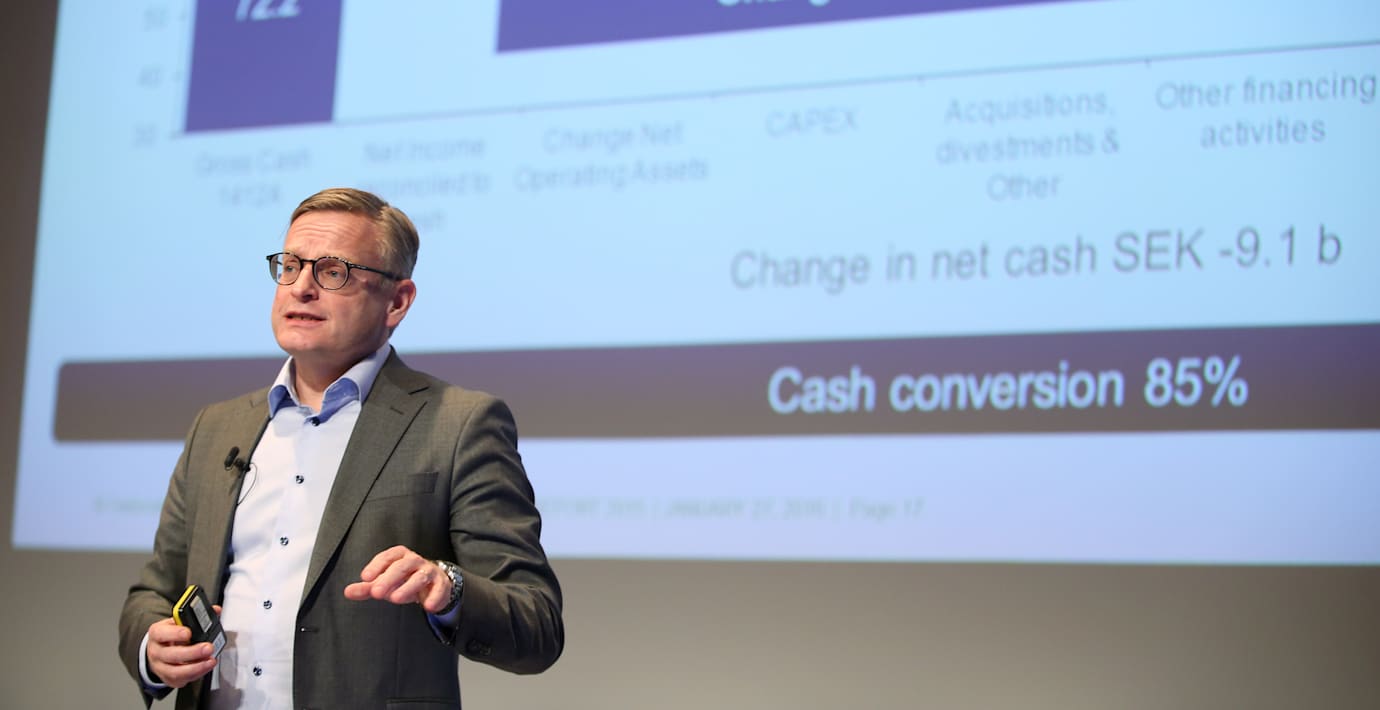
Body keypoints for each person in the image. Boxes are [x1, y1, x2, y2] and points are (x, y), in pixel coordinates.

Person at [118, 187, 563, 709]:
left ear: (397, 301)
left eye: (334, 272)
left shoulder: (458, 424)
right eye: (289, 266)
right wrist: (153, 647)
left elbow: (535, 623)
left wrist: (449, 588)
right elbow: (154, 592)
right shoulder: (216, 427)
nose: (301, 288)